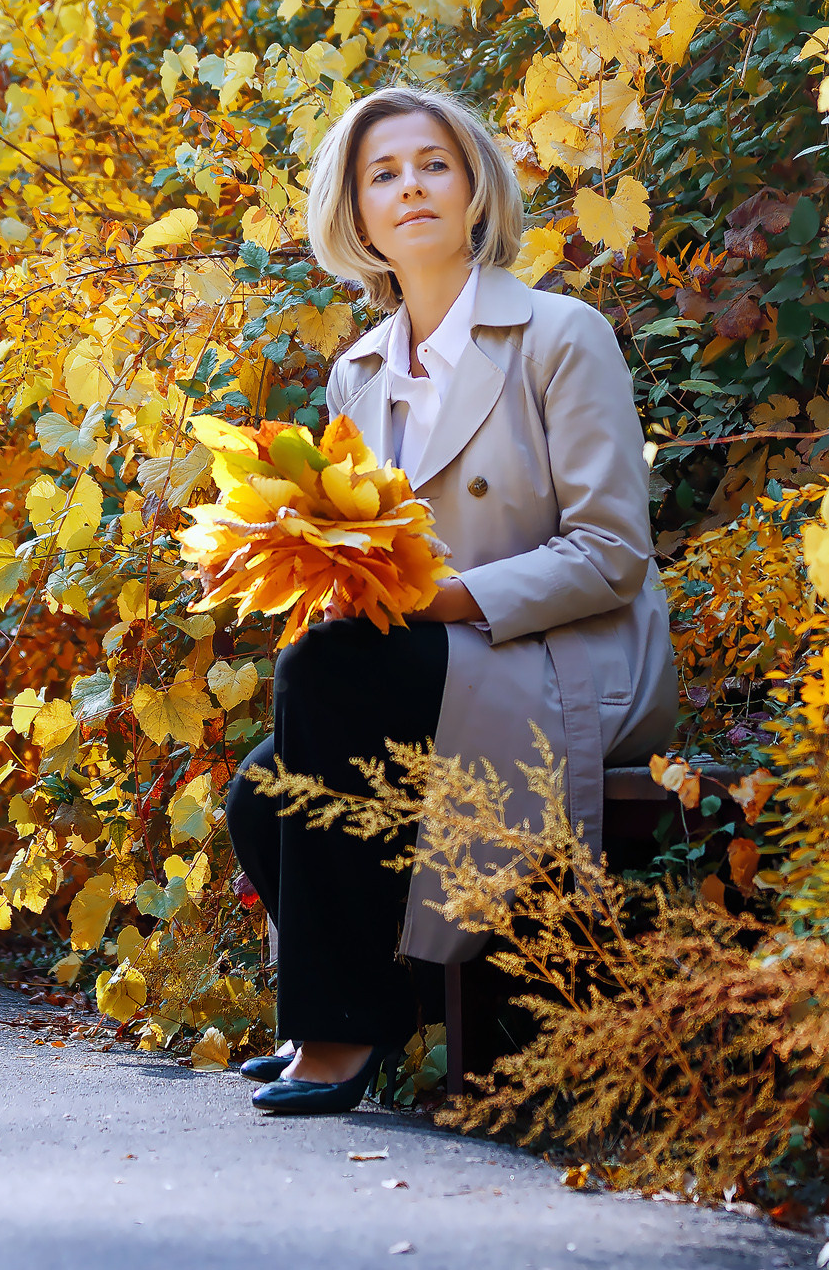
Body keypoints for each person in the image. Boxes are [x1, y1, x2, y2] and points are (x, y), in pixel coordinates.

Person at [221, 87, 677, 1116]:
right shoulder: (357, 374)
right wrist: (344, 586)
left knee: (321, 676)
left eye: (433, 164)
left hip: (568, 656)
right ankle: (384, 1001)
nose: (411, 187)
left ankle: (339, 1033)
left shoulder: (559, 336)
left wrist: (439, 600)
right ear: (357, 215)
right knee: (259, 791)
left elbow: (612, 553)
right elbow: (374, 547)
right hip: (430, 664)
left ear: (474, 188)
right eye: (382, 174)